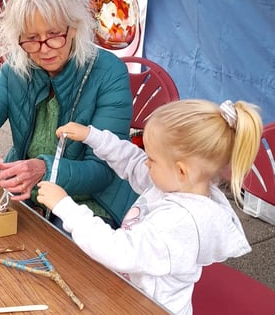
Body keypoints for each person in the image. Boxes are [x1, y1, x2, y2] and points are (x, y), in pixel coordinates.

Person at [0, 0, 138, 227]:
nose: (44, 49)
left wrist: (44, 169)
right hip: (25, 190)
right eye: (32, 39)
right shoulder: (17, 66)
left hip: (90, 204)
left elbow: (103, 170)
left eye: (54, 35)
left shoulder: (108, 72)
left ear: (75, 28)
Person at [37, 99, 262, 315]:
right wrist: (93, 137)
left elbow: (119, 251)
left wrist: (65, 207)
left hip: (151, 308)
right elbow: (132, 161)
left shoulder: (180, 221)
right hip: (131, 294)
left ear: (182, 171)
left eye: (152, 159)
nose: (146, 162)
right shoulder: (176, 184)